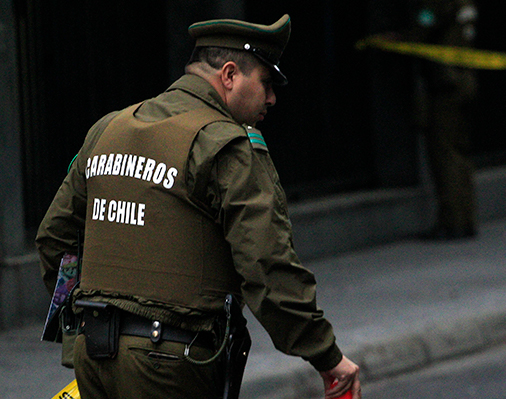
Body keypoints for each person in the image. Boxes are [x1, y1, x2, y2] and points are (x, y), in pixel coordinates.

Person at [35, 13, 361, 399]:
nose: (272, 98)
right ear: (229, 75)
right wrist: (326, 355)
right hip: (170, 362)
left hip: (93, 355)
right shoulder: (227, 145)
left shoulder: (109, 129)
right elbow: (267, 267)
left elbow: (55, 240)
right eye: (266, 82)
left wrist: (87, 318)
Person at [394, 0, 479, 240]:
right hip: (465, 80)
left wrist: (399, 39)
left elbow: (423, 27)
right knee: (460, 153)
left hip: (446, 85)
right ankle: (466, 217)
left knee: (444, 154)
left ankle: (453, 221)